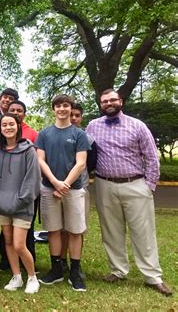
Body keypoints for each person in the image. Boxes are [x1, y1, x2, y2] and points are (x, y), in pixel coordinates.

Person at [86, 89, 172, 297]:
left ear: (121, 101)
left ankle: (152, 276)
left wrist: (148, 185)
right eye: (105, 101)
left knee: (143, 231)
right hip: (105, 184)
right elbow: (87, 153)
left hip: (135, 184)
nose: (109, 103)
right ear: (100, 104)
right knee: (111, 231)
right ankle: (118, 270)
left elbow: (151, 157)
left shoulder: (137, 125)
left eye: (113, 99)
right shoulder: (92, 126)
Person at [35, 94, 90, 292]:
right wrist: (55, 183)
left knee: (75, 230)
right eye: (58, 106)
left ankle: (74, 272)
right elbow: (41, 160)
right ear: (53, 109)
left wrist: (64, 184)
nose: (62, 109)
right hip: (49, 188)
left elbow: (81, 162)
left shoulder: (79, 134)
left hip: (73, 190)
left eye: (65, 105)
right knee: (53, 229)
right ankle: (56, 269)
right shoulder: (44, 134)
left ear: (70, 108)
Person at [0, 113, 40, 294]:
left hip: (21, 205)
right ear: (0, 129)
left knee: (20, 244)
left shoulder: (29, 151)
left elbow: (32, 179)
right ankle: (16, 276)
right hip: (2, 205)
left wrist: (21, 200)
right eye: (4, 125)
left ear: (18, 126)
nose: (8, 127)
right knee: (9, 242)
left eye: (11, 124)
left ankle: (33, 277)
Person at [60, 103, 97, 276]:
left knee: (76, 228)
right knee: (60, 229)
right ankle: (60, 261)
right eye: (71, 114)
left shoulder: (87, 139)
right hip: (56, 188)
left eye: (77, 115)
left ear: (81, 118)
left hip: (79, 188)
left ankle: (76, 263)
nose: (74, 118)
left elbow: (90, 164)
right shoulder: (55, 134)